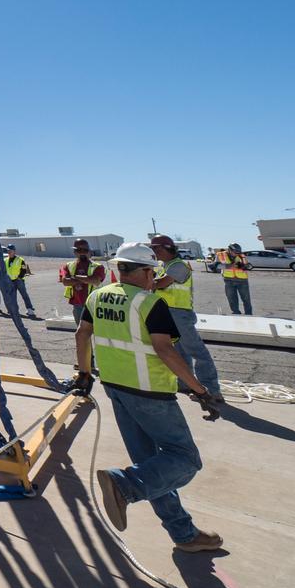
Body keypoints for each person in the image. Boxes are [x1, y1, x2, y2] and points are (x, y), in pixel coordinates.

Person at [72, 242, 222, 553]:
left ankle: (183, 533)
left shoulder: (97, 296)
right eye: (150, 272)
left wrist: (85, 374)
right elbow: (165, 349)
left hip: (115, 388)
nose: (153, 278)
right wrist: (199, 389)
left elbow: (82, 334)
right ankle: (124, 486)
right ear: (141, 271)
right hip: (150, 392)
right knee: (185, 459)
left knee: (151, 465)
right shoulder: (150, 303)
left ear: (118, 268)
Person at [148, 234, 222, 403]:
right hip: (167, 312)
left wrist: (147, 280)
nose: (154, 252)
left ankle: (211, 389)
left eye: (156, 248)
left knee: (196, 351)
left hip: (180, 313)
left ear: (168, 249)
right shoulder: (162, 265)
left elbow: (161, 283)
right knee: (180, 352)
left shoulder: (179, 266)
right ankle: (185, 383)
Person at [60, 238, 106, 324]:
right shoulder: (68, 265)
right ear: (74, 252)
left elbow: (95, 281)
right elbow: (65, 282)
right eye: (79, 250)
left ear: (90, 251)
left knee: (97, 331)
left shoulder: (98, 266)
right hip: (78, 305)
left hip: (94, 304)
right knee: (82, 333)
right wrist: (87, 279)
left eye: (85, 250)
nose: (82, 252)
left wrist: (74, 277)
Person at [5, 244, 37, 317]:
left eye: (10, 250)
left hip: (19, 281)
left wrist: (19, 277)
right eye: (8, 250)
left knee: (24, 295)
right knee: (12, 297)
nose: (9, 252)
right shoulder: (5, 260)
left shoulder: (20, 260)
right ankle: (14, 310)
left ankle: (30, 309)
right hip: (10, 281)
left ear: (14, 251)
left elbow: (24, 269)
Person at [221, 243, 253, 315]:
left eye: (238, 252)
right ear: (229, 250)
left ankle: (249, 314)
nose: (236, 254)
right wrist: (233, 265)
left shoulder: (241, 256)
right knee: (231, 299)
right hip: (228, 280)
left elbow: (248, 266)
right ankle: (236, 313)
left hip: (242, 281)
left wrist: (244, 265)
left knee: (246, 299)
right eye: (235, 252)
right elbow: (217, 266)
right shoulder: (222, 255)